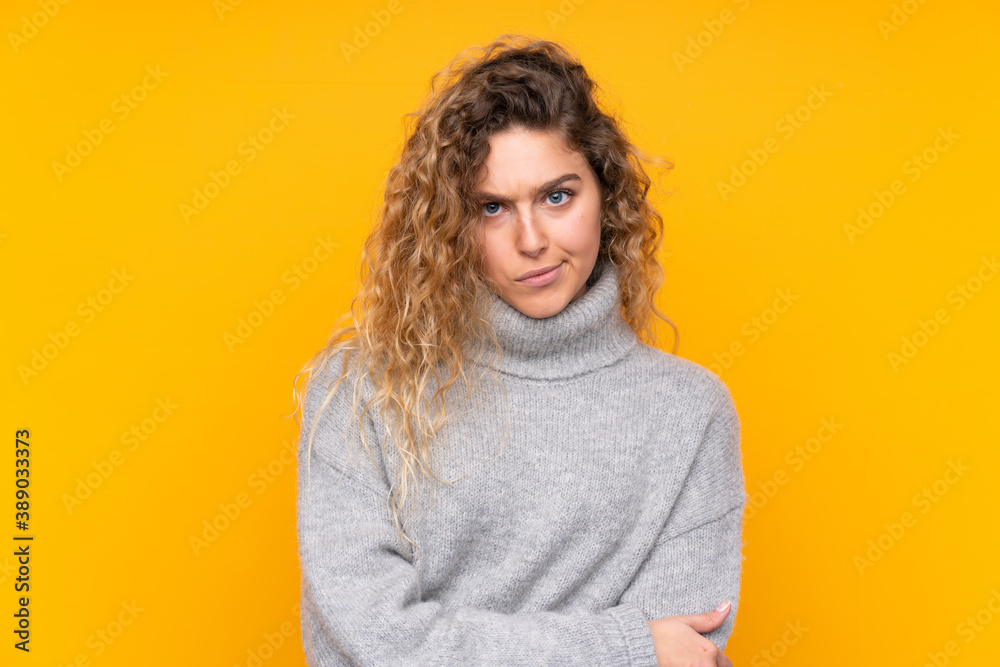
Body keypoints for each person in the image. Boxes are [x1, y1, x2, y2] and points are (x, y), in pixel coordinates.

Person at [293, 33, 747, 667]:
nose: (531, 239)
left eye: (557, 196)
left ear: (607, 199)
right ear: (449, 223)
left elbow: (688, 651)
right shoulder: (364, 386)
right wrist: (625, 645)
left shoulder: (690, 411)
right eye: (491, 208)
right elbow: (376, 638)